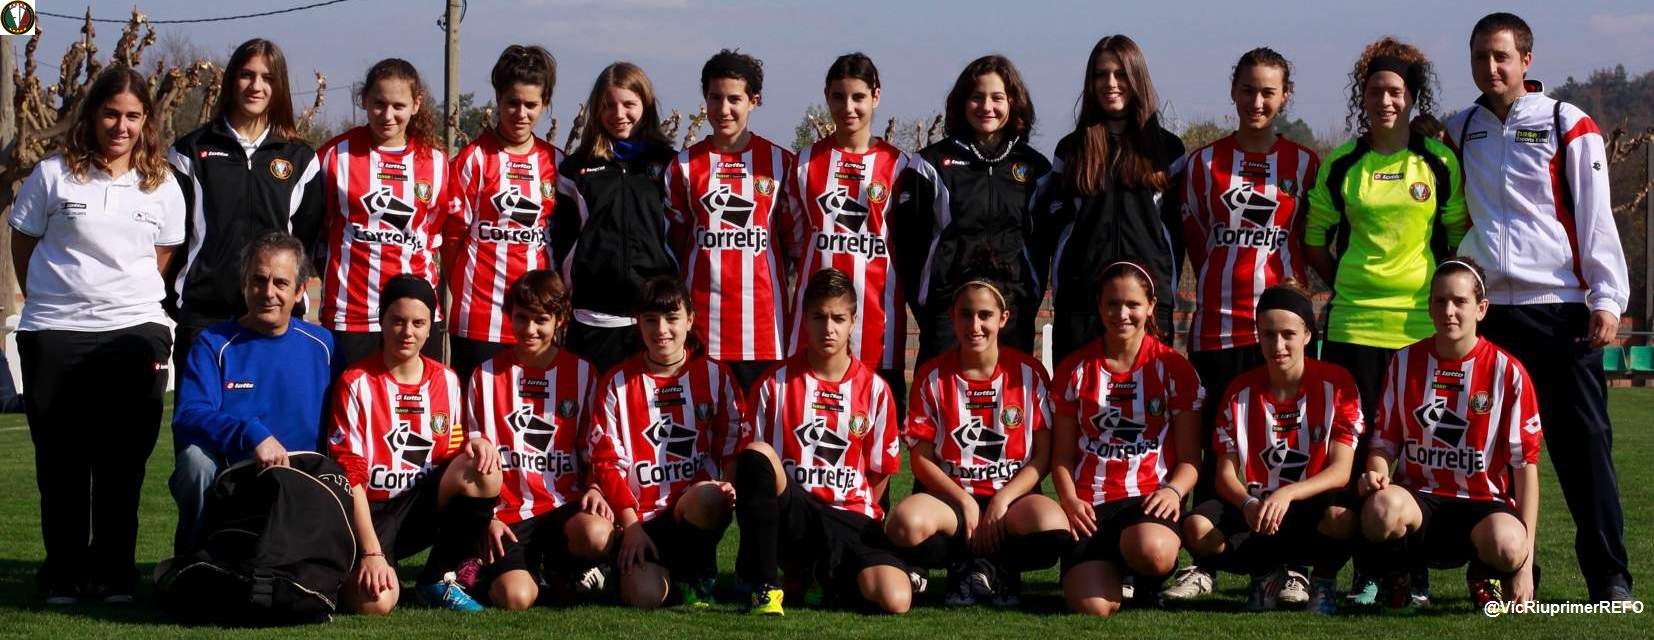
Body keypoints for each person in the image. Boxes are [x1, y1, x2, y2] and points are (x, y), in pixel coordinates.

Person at [1442, 12, 1632, 602]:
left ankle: (1609, 578)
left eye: (1501, 56)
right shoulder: (1459, 128)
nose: (1490, 68)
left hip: (1562, 309)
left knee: (1583, 449)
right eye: (1480, 57)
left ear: (1526, 60)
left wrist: (1607, 297)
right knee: (1491, 452)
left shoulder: (1566, 122)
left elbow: (1596, 217)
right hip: (1490, 311)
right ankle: (1510, 573)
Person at [1302, 37, 1468, 605]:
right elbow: (1314, 240)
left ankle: (1409, 573)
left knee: (1413, 452)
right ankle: (1362, 575)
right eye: (1375, 91)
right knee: (1351, 457)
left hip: (1418, 330)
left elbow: (1455, 237)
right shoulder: (1343, 162)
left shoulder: (1438, 162)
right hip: (1352, 328)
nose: (1386, 100)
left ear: (1412, 96)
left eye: (1396, 91)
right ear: (1363, 97)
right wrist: (1350, 279)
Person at [10, 66, 184, 605]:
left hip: (134, 334)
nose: (121, 125)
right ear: (91, 115)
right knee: (60, 466)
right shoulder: (52, 175)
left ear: (146, 122)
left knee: (121, 466)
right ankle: (62, 575)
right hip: (54, 333)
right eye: (111, 113)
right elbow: (24, 246)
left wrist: (117, 301)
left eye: (133, 116)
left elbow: (161, 259)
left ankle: (112, 576)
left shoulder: (161, 183)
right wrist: (55, 298)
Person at [1165, 47, 1320, 602]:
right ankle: (1203, 561)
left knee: (1282, 447)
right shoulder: (1203, 164)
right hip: (1216, 331)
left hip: (1279, 334)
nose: (1258, 101)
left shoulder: (1305, 165)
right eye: (1249, 90)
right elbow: (1198, 243)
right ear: (1233, 92)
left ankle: (1287, 564)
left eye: (1269, 92)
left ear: (1284, 97)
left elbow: (1305, 241)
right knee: (1213, 453)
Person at [1358, 258, 1542, 610]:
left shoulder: (1508, 372)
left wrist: (1525, 563)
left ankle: (1483, 573)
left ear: (1481, 308)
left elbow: (1525, 467)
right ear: (1429, 306)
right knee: (1379, 510)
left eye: (1460, 301)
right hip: (1419, 499)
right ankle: (1400, 575)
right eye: (1440, 301)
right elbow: (1383, 443)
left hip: (1482, 506)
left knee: (1508, 544)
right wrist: (1376, 474)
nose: (1449, 311)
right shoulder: (1404, 363)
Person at [882, 270, 1070, 607]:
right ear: (952, 316)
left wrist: (1001, 500)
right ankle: (963, 567)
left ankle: (1000, 569)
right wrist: (965, 501)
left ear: (1003, 318)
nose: (975, 325)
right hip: (951, 503)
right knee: (902, 526)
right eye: (966, 314)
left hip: (1012, 501)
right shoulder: (932, 375)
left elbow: (1042, 455)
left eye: (985, 315)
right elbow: (921, 458)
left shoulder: (1029, 374)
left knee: (1053, 527)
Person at [733, 268, 910, 615]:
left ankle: (819, 578)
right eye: (819, 317)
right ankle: (767, 586)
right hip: (794, 516)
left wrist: (848, 510)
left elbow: (881, 471)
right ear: (805, 318)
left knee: (896, 599)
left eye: (838, 318)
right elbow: (752, 468)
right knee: (757, 454)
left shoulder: (876, 390)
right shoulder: (774, 385)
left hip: (851, 519)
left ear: (853, 321)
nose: (828, 328)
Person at [1176, 281, 1361, 614]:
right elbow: (1225, 473)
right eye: (1269, 334)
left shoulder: (1337, 384)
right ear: (1258, 336)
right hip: (1258, 511)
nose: (1279, 345)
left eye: (1289, 334)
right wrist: (1247, 502)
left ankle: (1321, 581)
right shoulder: (1238, 391)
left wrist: (1289, 494)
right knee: (1196, 527)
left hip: (1309, 508)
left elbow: (1341, 470)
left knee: (1343, 516)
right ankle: (1264, 574)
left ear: (1307, 334)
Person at [329, 275, 502, 614]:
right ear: (381, 320)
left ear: (430, 327)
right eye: (398, 320)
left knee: (484, 465)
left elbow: (454, 459)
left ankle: (437, 579)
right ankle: (355, 569)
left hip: (419, 510)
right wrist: (371, 553)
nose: (407, 332)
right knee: (376, 604)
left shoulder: (448, 381)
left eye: (418, 323)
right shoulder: (355, 382)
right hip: (369, 516)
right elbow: (351, 477)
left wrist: (486, 516)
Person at [1050, 260, 1201, 617]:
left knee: (1154, 551)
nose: (1122, 313)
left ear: (1150, 307)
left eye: (1132, 304)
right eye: (1112, 304)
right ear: (1100, 306)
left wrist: (1173, 491)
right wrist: (1070, 501)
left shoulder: (1173, 368)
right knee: (1095, 608)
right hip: (1090, 506)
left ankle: (1147, 577)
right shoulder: (1074, 369)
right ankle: (1114, 570)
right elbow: (1061, 458)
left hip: (1148, 502)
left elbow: (1192, 459)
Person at [170, 233, 334, 558]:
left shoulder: (324, 346)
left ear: (300, 290)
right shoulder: (213, 343)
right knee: (193, 463)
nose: (268, 292)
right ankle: (193, 562)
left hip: (303, 479)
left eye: (281, 283)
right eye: (258, 280)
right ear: (244, 284)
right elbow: (189, 413)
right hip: (236, 474)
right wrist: (251, 433)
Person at [167, 38, 324, 371]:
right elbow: (172, 237)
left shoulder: (300, 158)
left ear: (279, 87)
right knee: (201, 422)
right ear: (231, 81)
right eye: (247, 75)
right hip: (205, 319)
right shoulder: (190, 151)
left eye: (267, 78)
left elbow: (305, 244)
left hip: (276, 321)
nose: (256, 86)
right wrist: (181, 300)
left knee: (276, 423)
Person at [589, 276, 742, 609]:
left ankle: (695, 571)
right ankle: (631, 569)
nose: (662, 329)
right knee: (646, 597)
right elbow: (605, 462)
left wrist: (726, 487)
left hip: (692, 508)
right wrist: (630, 526)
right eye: (651, 320)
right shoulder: (616, 382)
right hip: (641, 520)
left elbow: (732, 442)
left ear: (689, 319)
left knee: (710, 495)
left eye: (672, 318)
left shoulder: (715, 376)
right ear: (638, 324)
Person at [467, 270, 614, 609]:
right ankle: (526, 574)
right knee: (515, 598)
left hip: (565, 506)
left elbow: (595, 449)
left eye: (540, 320)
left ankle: (571, 568)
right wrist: (484, 517)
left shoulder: (583, 373)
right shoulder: (484, 376)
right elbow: (471, 460)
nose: (529, 330)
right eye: (521, 318)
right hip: (510, 512)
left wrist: (594, 487)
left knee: (597, 534)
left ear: (560, 320)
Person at [1036, 35, 1185, 362]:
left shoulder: (1169, 151)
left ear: (1137, 78)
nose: (1111, 83)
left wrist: (1163, 291)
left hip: (1146, 306)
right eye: (1101, 74)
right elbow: (1053, 227)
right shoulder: (1070, 150)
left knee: (1148, 408)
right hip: (1081, 307)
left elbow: (1179, 231)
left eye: (1120, 74)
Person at [893, 54, 1048, 366]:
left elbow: (1043, 242)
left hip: (1012, 311)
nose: (987, 107)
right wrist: (928, 302)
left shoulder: (1036, 168)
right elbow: (908, 245)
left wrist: (1028, 293)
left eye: (997, 98)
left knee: (1009, 407)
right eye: (977, 97)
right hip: (948, 311)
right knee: (944, 404)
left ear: (1014, 102)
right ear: (962, 103)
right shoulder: (929, 165)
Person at [665, 49, 798, 392]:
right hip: (700, 329)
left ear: (754, 100)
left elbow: (794, 241)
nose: (723, 109)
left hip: (764, 332)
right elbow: (676, 243)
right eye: (715, 98)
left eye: (734, 99)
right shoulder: (683, 166)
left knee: (759, 435)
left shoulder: (780, 163)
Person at [785, 53, 910, 405]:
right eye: (838, 97)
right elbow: (794, 240)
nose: (848, 107)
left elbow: (907, 244)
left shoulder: (899, 166)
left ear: (876, 97)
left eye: (858, 97)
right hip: (814, 328)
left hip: (878, 327)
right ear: (827, 96)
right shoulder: (805, 163)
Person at [316, 58, 450, 366]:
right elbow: (317, 229)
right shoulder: (334, 155)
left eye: (398, 106)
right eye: (378, 104)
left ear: (416, 105)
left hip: (414, 317)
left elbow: (434, 233)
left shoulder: (437, 163)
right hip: (350, 315)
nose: (388, 115)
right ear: (364, 100)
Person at [554, 62, 680, 375]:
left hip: (652, 322)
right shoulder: (576, 170)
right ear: (597, 109)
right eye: (609, 105)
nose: (619, 114)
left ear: (646, 106)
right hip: (592, 319)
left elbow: (681, 234)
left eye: (629, 104)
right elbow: (561, 239)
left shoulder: (669, 165)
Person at [446, 45, 561, 383]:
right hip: (478, 317)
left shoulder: (555, 163)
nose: (520, 113)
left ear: (544, 103)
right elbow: (451, 241)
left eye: (531, 105)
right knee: (475, 420)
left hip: (537, 318)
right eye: (512, 103)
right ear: (498, 99)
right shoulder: (473, 159)